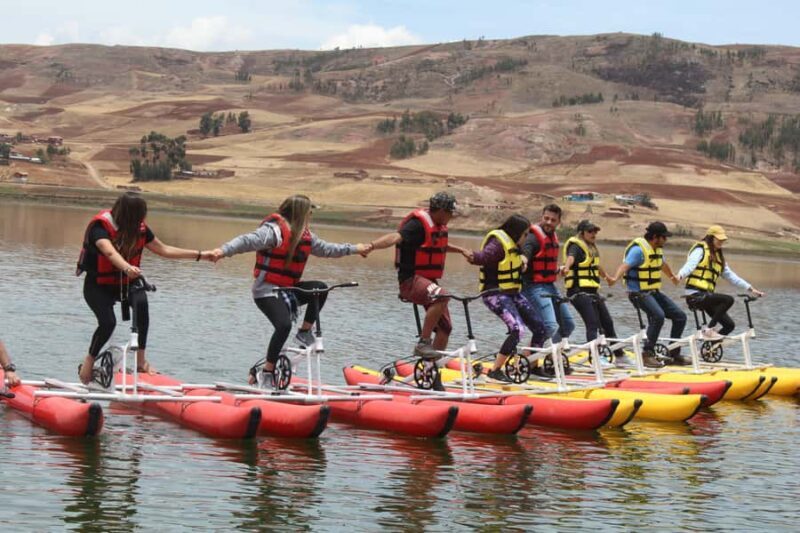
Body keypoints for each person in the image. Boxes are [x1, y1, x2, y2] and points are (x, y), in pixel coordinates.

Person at [206, 194, 371, 390]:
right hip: (266, 291)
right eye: (309, 210)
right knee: (283, 325)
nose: (311, 214)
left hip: (288, 290)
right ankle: (267, 372)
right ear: (300, 212)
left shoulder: (305, 235)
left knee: (320, 288)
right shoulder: (273, 232)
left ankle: (303, 332)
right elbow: (246, 241)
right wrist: (223, 251)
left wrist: (355, 248)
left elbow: (328, 249)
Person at [76, 192, 210, 385]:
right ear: (130, 215)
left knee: (141, 304)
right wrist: (127, 267)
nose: (143, 219)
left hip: (126, 283)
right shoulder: (100, 228)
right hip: (98, 285)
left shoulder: (141, 230)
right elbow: (109, 252)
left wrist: (201, 255)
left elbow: (164, 249)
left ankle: (141, 362)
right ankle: (89, 361)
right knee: (108, 322)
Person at [369, 192, 471, 359]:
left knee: (445, 328)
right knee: (442, 295)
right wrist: (371, 246)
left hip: (427, 280)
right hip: (410, 280)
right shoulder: (417, 224)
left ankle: (430, 371)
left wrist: (462, 250)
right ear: (441, 211)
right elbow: (396, 237)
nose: (451, 217)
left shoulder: (436, 225)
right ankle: (423, 343)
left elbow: (440, 245)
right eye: (450, 213)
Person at [467, 214, 546, 381]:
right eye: (525, 234)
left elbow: (522, 255)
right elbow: (484, 257)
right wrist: (473, 256)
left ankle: (532, 366)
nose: (527, 238)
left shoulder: (516, 244)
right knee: (518, 329)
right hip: (494, 294)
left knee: (540, 328)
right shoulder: (497, 244)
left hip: (512, 293)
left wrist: (523, 262)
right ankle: (495, 370)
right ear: (517, 233)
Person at [610, 221, 687, 367]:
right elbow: (625, 265)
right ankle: (647, 354)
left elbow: (662, 264)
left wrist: (672, 277)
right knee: (658, 316)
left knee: (680, 317)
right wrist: (614, 278)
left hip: (653, 292)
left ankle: (674, 354)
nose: (666, 240)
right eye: (664, 237)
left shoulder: (657, 249)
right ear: (656, 237)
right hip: (637, 293)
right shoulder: (638, 251)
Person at [561, 220, 633, 367]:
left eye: (595, 231)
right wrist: (566, 268)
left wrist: (608, 278)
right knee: (593, 323)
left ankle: (619, 356)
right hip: (578, 291)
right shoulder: (576, 246)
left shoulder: (591, 248)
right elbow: (570, 258)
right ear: (582, 233)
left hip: (592, 291)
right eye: (590, 231)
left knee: (607, 323)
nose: (594, 234)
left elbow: (596, 266)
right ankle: (595, 358)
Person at [677, 225, 765, 339]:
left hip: (707, 297)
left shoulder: (719, 257)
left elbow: (732, 277)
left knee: (729, 325)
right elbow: (689, 266)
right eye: (719, 238)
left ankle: (709, 351)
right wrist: (679, 275)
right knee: (728, 299)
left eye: (723, 239)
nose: (721, 241)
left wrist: (751, 289)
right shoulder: (700, 250)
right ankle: (709, 329)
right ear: (711, 237)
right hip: (694, 295)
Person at [521, 204, 576, 346]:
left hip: (550, 286)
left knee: (568, 325)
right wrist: (523, 261)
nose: (549, 222)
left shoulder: (552, 237)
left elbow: (545, 265)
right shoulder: (532, 238)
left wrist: (559, 269)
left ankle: (550, 357)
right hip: (533, 287)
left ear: (559, 222)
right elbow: (526, 253)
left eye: (553, 220)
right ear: (542, 217)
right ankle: (528, 360)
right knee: (550, 326)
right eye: (546, 218)